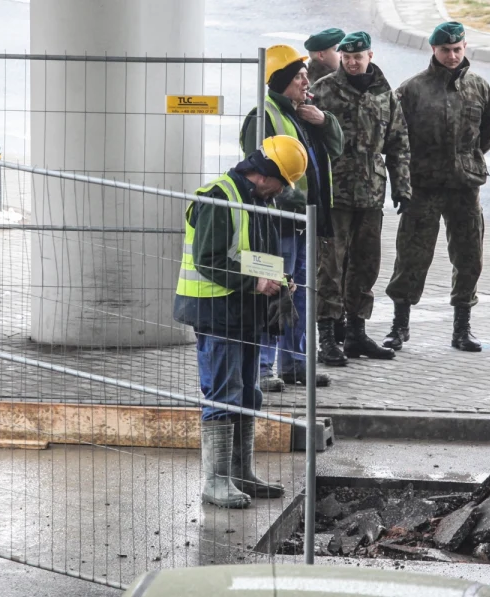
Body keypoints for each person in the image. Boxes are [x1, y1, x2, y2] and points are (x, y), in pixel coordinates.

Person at [172, 136, 309, 509]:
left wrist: (275, 279)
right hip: (216, 313)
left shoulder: (257, 200)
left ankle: (240, 474)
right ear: (266, 175)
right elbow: (208, 260)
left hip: (243, 313)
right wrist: (254, 283)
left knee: (250, 393)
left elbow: (251, 254)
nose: (283, 191)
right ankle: (216, 482)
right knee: (223, 394)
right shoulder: (219, 198)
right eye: (283, 182)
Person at [383, 22, 490, 353]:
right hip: (424, 184)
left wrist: (467, 160)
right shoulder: (413, 89)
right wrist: (402, 184)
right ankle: (399, 325)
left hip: (464, 185)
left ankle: (463, 328)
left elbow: (487, 133)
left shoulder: (478, 87)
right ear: (433, 50)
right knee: (412, 255)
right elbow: (396, 139)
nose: (452, 55)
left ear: (465, 48)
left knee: (469, 255)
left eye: (458, 49)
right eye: (445, 50)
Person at [241, 45, 342, 393]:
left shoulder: (304, 113)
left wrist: (326, 121)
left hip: (302, 222)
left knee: (299, 294)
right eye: (299, 77)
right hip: (277, 221)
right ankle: (265, 367)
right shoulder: (264, 115)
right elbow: (257, 171)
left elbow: (335, 151)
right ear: (283, 81)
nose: (306, 81)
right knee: (273, 291)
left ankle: (295, 364)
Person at [309, 31, 412, 365]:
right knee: (331, 266)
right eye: (347, 57)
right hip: (334, 194)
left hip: (371, 193)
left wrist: (402, 186)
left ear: (370, 55)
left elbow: (398, 143)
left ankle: (356, 332)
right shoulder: (323, 89)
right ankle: (327, 335)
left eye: (359, 56)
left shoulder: (385, 94)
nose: (352, 63)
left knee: (366, 265)